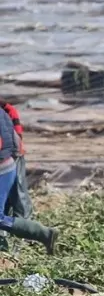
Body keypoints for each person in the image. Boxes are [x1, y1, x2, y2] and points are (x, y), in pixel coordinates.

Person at [0, 105, 57, 254]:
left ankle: (42, 234)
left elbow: (10, 144)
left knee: (14, 204)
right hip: (8, 161)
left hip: (4, 167)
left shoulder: (7, 110)